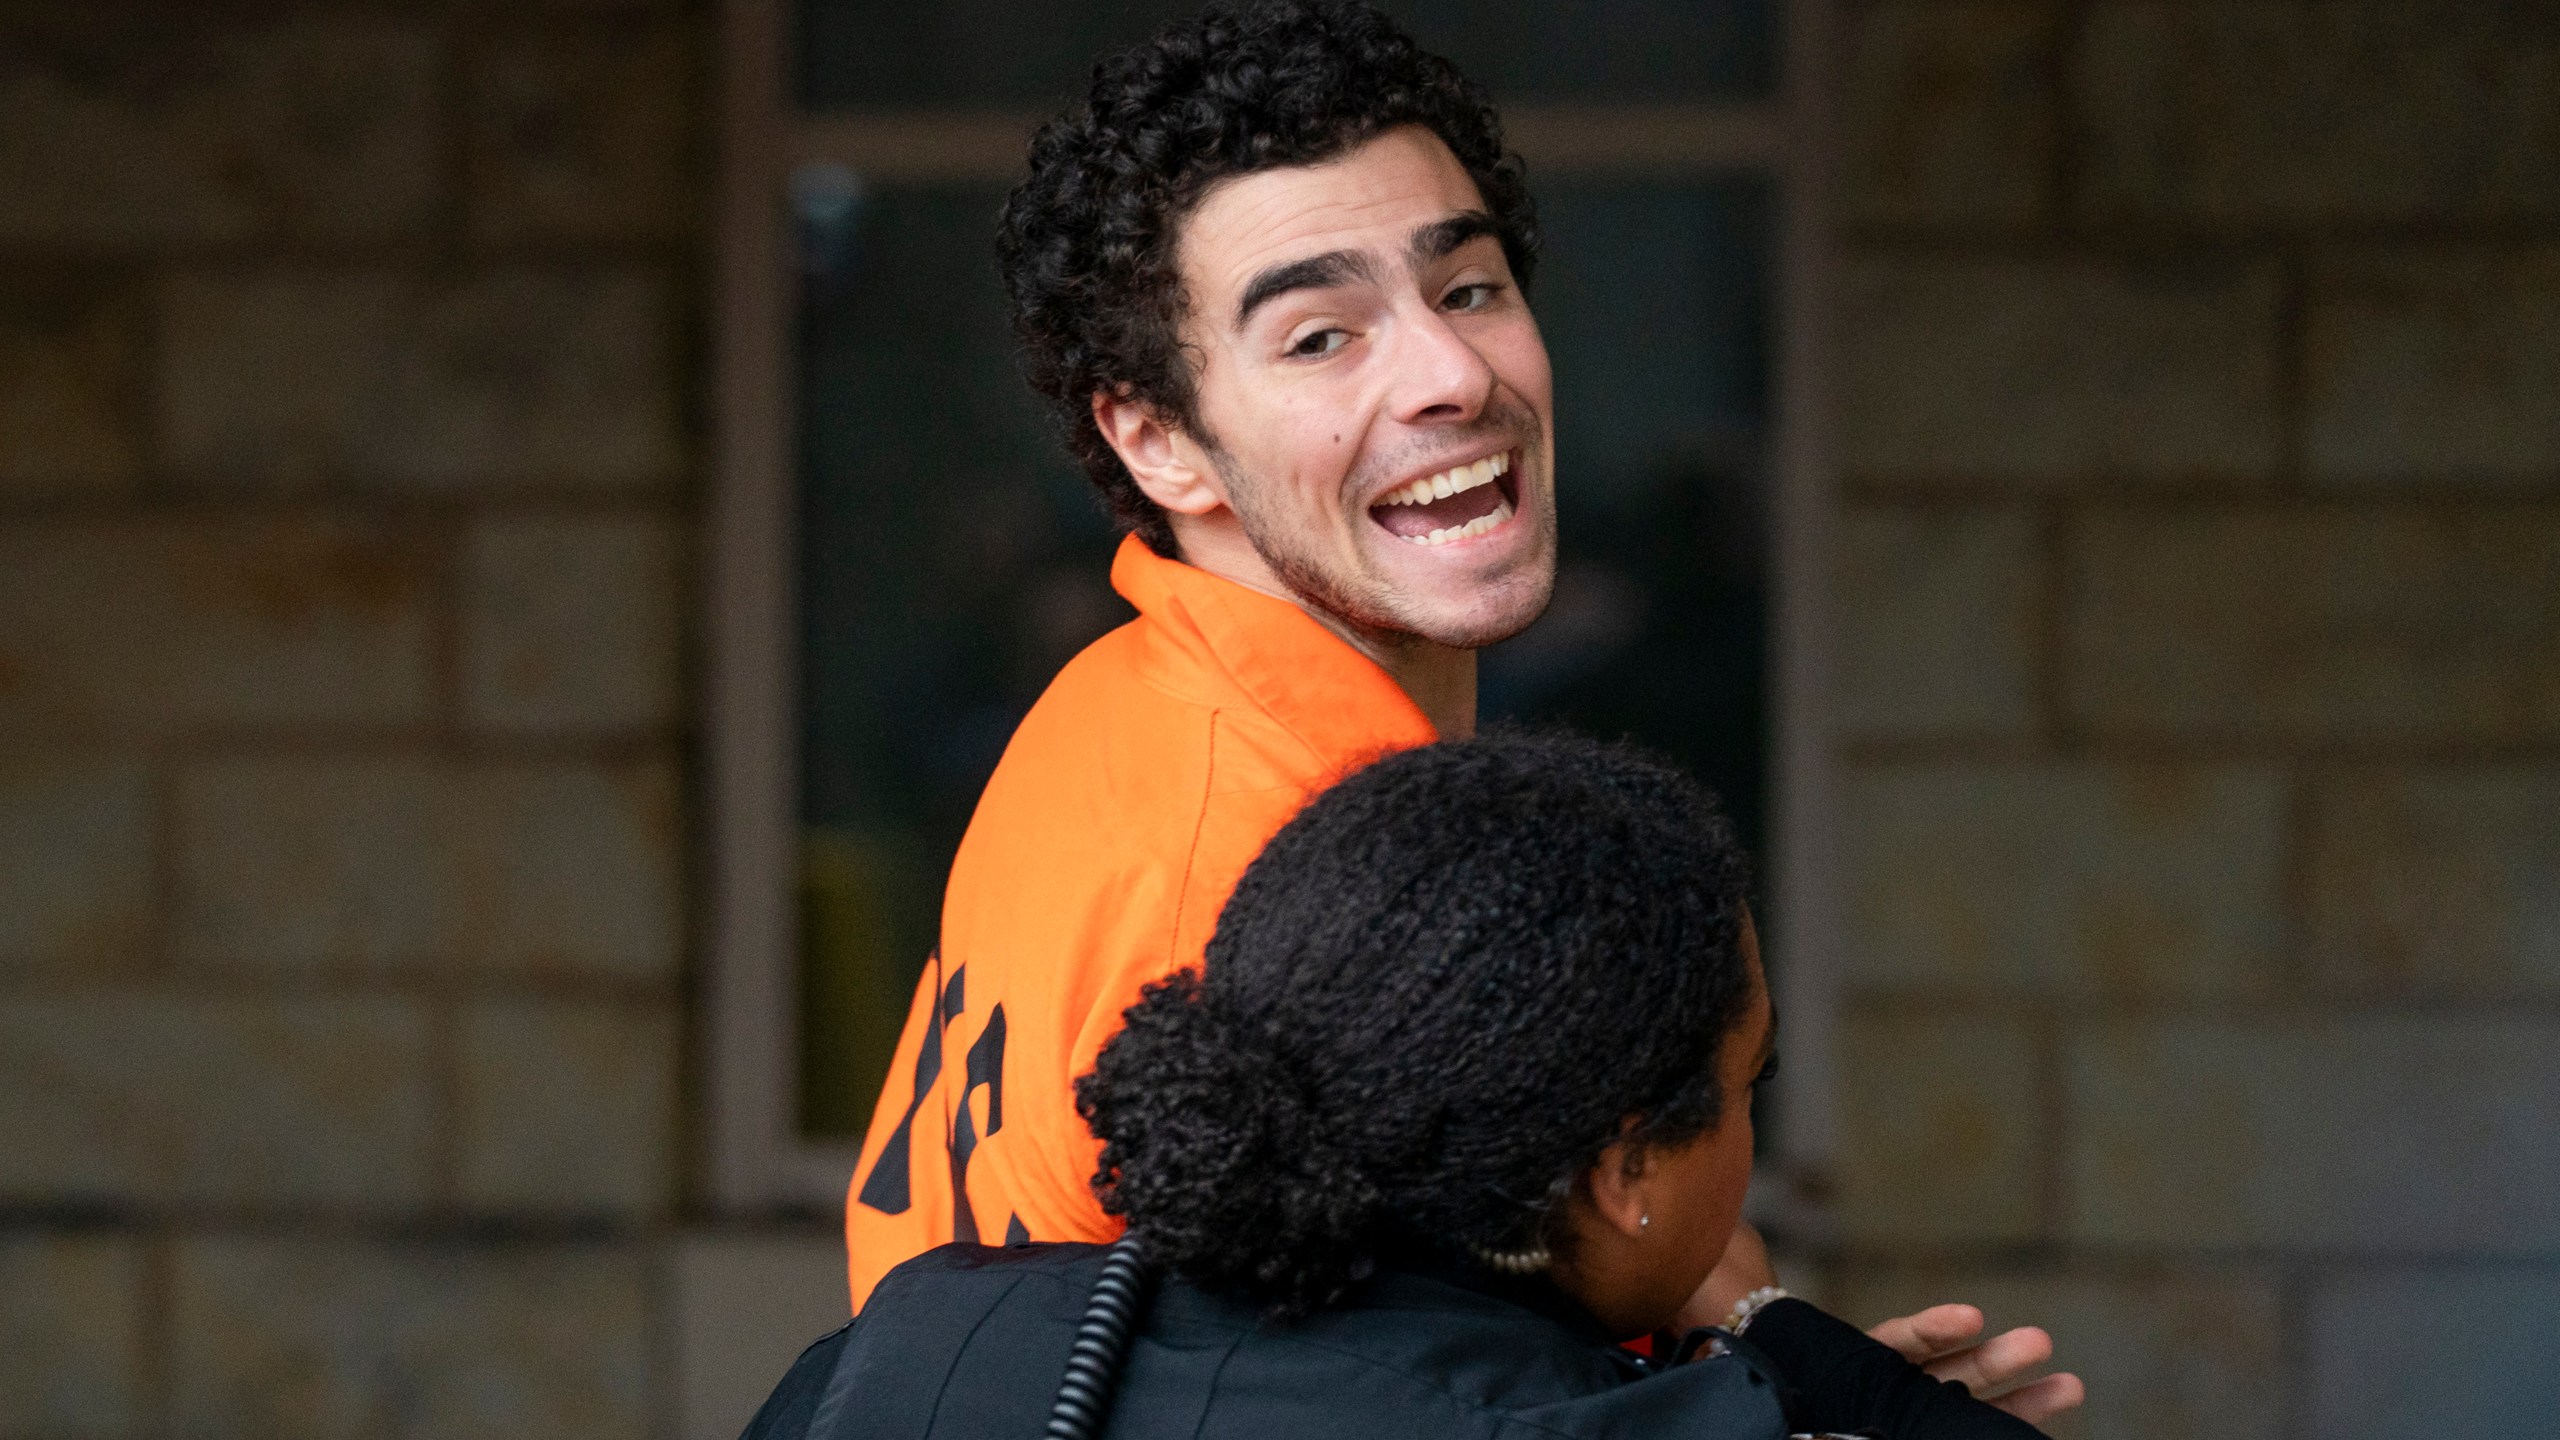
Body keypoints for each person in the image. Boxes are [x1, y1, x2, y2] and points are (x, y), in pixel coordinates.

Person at [839, 1, 2074, 1418]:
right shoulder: (1280, 858)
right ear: (1159, 439)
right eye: (1319, 338)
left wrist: (1787, 1367)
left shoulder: (1134, 694)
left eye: (1469, 288)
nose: (1450, 376)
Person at [761, 734, 2070, 1437]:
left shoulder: (926, 1327)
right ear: (1624, 1174)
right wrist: (1781, 1332)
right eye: (1744, 1086)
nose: (1744, 1134)